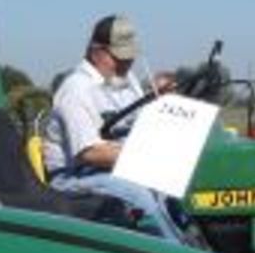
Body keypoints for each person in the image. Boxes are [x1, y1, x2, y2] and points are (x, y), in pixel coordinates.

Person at [41, 15, 182, 239]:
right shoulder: (77, 90)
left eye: (130, 57)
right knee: (138, 194)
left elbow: (138, 125)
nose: (126, 64)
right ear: (96, 51)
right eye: (119, 58)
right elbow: (91, 153)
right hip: (75, 177)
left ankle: (197, 244)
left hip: (118, 168)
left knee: (178, 188)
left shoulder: (126, 81)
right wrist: (150, 158)